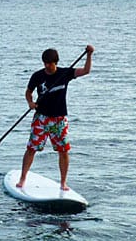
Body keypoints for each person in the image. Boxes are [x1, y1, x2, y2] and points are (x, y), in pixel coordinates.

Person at [16, 45, 94, 191]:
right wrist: (30, 102)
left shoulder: (65, 73)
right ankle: (22, 178)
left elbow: (86, 71)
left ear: (55, 62)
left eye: (50, 63)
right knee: (31, 148)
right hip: (41, 118)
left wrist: (89, 55)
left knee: (63, 151)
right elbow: (28, 91)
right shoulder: (37, 76)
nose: (47, 66)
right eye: (45, 63)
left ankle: (63, 182)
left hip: (59, 120)